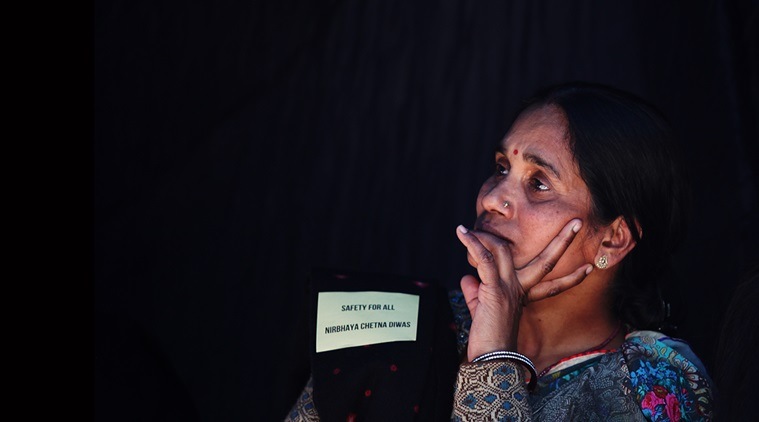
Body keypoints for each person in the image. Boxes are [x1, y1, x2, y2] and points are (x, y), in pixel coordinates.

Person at [286, 82, 714, 421]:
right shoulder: (402, 327)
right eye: (500, 169)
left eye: (539, 183)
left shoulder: (653, 385)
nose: (492, 198)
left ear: (613, 239)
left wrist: (492, 357)